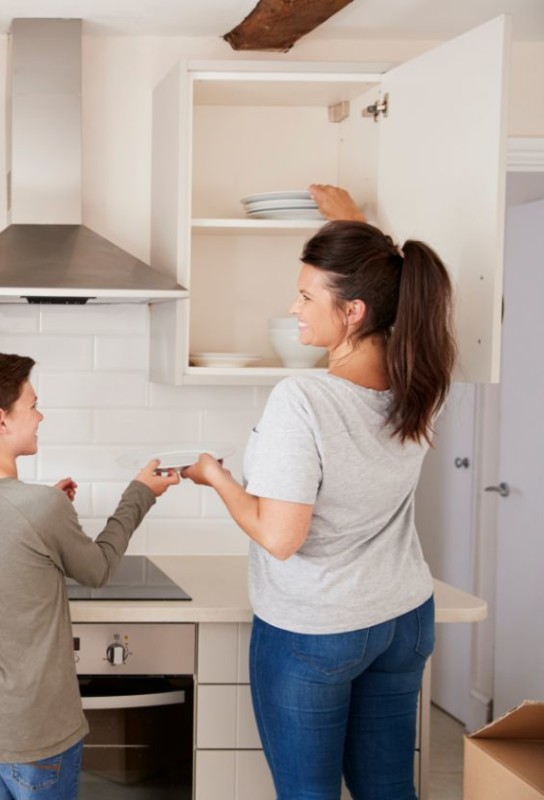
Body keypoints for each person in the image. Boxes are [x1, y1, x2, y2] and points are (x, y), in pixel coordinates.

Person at [182, 184, 456, 799]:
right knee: (388, 789)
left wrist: (216, 478)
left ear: (353, 310)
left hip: (318, 629)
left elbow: (281, 538)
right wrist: (352, 227)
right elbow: (387, 282)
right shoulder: (422, 384)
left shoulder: (304, 399)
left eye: (307, 296)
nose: (295, 306)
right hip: (403, 617)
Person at [0, 349, 180, 800]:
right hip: (33, 730)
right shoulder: (38, 508)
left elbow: (4, 539)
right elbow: (97, 570)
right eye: (32, 405)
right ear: (0, 420)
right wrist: (141, 494)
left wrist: (50, 510)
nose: (40, 415)